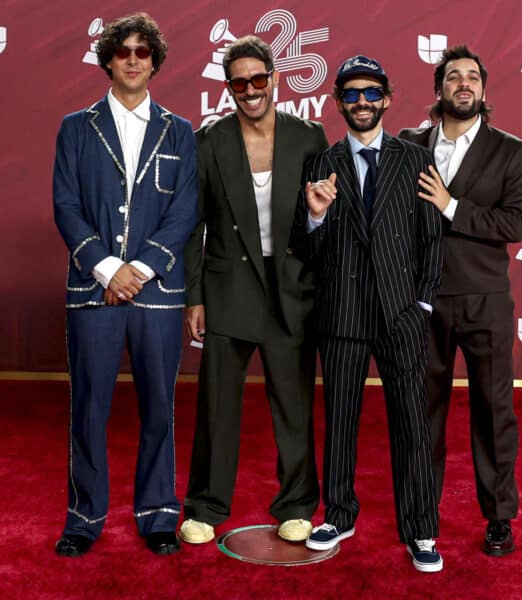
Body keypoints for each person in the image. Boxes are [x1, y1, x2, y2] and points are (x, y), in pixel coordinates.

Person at [53, 13, 197, 557]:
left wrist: (142, 269)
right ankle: (84, 517)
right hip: (94, 292)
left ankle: (159, 514)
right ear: (108, 60)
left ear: (155, 62)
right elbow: (66, 205)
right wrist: (109, 269)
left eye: (143, 51)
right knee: (89, 406)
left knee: (160, 405)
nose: (133, 59)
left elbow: (185, 210)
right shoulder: (75, 127)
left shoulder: (180, 131)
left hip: (157, 293)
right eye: (123, 51)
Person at [297, 55, 444, 572]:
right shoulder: (320, 163)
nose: (361, 102)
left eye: (370, 92)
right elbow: (304, 250)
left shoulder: (415, 159)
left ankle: (422, 529)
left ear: (386, 98)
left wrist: (420, 305)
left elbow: (431, 240)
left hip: (401, 315)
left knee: (411, 426)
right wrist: (314, 218)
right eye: (351, 94)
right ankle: (339, 512)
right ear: (337, 102)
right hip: (341, 315)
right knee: (339, 421)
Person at [179, 35, 328, 545]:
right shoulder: (208, 140)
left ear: (275, 79)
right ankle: (204, 506)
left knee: (293, 403)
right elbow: (191, 226)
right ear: (229, 88)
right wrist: (193, 296)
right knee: (217, 405)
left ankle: (297, 504)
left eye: (258, 79)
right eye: (239, 82)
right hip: (227, 288)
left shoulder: (309, 137)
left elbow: (324, 221)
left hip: (290, 289)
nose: (250, 89)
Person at [400, 45, 522, 556]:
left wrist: (452, 206)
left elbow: (516, 223)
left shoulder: (512, 153)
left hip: (485, 302)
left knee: (494, 411)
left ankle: (499, 518)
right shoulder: (409, 145)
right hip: (422, 302)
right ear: (440, 89)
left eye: (472, 76)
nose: (464, 83)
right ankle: (422, 515)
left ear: (483, 89)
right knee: (421, 413)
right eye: (453, 76)